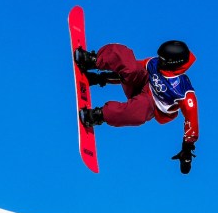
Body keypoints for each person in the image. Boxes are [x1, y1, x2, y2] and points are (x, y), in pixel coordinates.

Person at [74, 40, 199, 174]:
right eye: (159, 58)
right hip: (141, 83)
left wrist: (187, 148)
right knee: (127, 58)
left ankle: (98, 115)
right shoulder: (154, 63)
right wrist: (102, 78)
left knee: (140, 110)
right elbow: (129, 71)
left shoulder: (183, 90)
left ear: (172, 63)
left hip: (151, 104)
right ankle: (93, 60)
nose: (159, 61)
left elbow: (191, 119)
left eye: (163, 60)